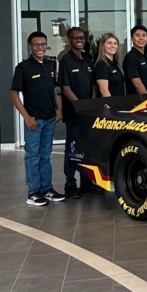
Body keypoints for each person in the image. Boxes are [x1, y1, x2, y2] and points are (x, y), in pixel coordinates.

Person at [10, 31, 65, 206]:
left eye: (43, 44)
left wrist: (58, 109)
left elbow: (51, 90)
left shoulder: (50, 65)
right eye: (36, 45)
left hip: (50, 119)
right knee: (33, 156)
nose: (40, 48)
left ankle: (46, 189)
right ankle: (33, 193)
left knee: (45, 156)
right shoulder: (23, 67)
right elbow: (14, 94)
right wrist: (26, 117)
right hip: (34, 120)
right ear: (30, 46)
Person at [59, 27, 98, 199]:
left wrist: (91, 103)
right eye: (76, 38)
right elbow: (66, 89)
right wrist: (81, 106)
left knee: (86, 148)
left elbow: (94, 87)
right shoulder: (66, 60)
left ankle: (86, 184)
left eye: (82, 38)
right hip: (74, 114)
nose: (80, 41)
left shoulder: (88, 60)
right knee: (72, 149)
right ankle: (70, 185)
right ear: (69, 40)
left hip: (88, 113)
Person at [123, 25, 147, 95]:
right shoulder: (130, 57)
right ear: (132, 39)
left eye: (144, 35)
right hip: (137, 101)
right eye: (137, 35)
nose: (141, 38)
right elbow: (137, 84)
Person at [94, 32, 125, 97]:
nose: (113, 46)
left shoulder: (114, 64)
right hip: (111, 105)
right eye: (109, 43)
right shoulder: (101, 65)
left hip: (120, 104)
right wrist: (113, 106)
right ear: (103, 45)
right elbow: (104, 91)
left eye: (115, 43)